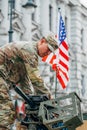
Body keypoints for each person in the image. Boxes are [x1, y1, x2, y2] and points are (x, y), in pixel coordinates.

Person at [0, 34, 58, 129]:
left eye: (50, 52)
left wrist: (30, 98)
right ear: (42, 41)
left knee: (12, 112)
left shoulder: (29, 55)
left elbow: (24, 79)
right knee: (6, 111)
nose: (48, 53)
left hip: (3, 79)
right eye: (48, 49)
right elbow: (35, 79)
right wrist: (48, 98)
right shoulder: (29, 50)